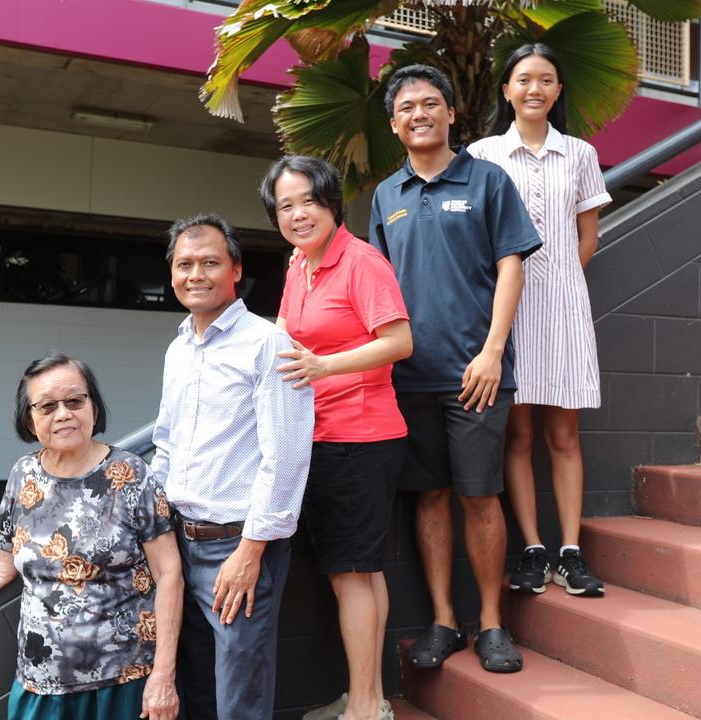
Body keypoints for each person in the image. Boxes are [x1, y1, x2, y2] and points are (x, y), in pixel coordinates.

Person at [0, 354, 183, 720]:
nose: (62, 414)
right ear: (30, 419)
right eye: (47, 406)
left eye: (74, 401)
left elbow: (169, 573)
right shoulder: (24, 476)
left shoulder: (131, 474)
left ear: (93, 406)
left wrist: (163, 675)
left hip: (127, 682)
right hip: (42, 683)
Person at [368, 64, 541, 674]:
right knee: (429, 497)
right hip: (409, 378)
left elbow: (513, 267)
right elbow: (376, 287)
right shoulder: (386, 196)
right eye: (407, 106)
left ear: (449, 115)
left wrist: (493, 351)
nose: (420, 113)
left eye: (430, 103)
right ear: (394, 124)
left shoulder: (489, 180)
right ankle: (443, 618)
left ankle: (492, 623)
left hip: (478, 375)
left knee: (479, 496)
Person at [259, 156, 412, 720]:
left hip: (360, 438)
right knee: (360, 572)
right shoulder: (299, 263)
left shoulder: (361, 261)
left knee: (351, 575)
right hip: (321, 434)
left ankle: (366, 709)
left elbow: (399, 341)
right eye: (285, 205)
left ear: (331, 203)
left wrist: (325, 367)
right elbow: (282, 333)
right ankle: (367, 698)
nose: (298, 214)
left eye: (308, 201)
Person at [151, 213, 314, 720]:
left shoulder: (268, 344)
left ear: (235, 270)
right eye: (184, 264)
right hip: (179, 543)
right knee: (195, 684)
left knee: (239, 695)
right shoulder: (178, 349)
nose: (195, 274)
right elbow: (165, 446)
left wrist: (250, 552)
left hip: (237, 547)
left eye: (209, 263)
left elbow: (286, 456)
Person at [468, 43, 612, 598]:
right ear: (506, 90)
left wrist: (560, 286)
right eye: (523, 78)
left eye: (546, 79)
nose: (534, 88)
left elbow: (589, 235)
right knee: (519, 433)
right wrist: (519, 291)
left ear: (557, 91)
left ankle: (570, 551)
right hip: (506, 309)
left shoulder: (579, 153)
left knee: (565, 433)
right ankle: (532, 547)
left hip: (564, 309)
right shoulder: (481, 155)